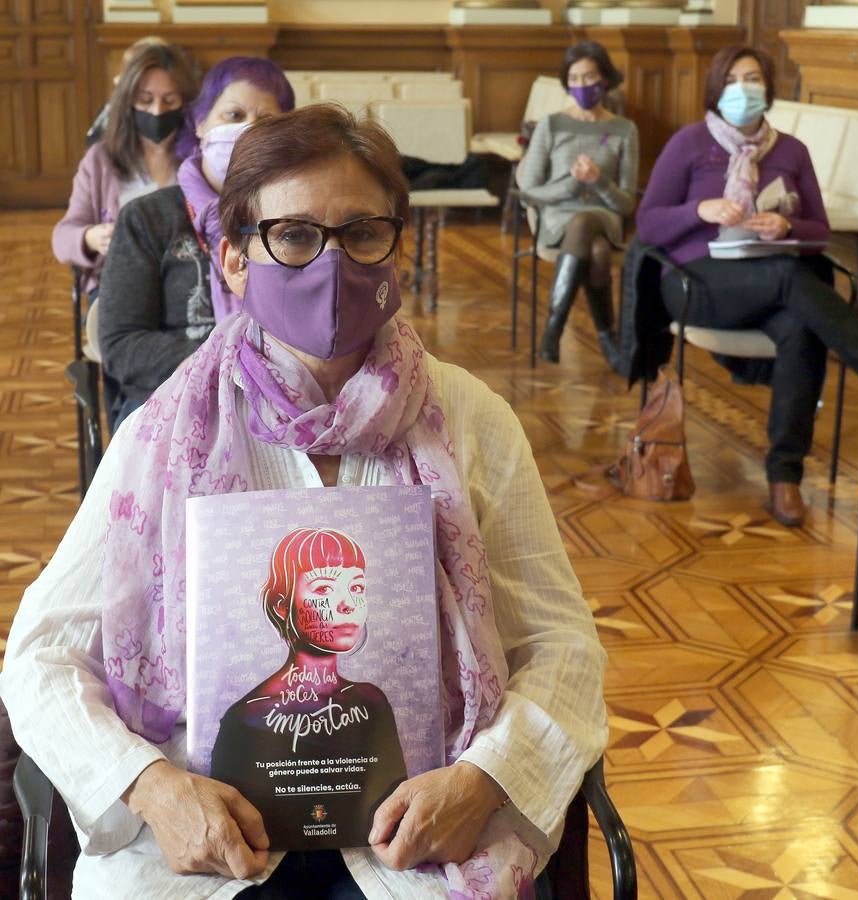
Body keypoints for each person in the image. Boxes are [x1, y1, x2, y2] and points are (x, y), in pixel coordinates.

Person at [0, 103, 607, 898]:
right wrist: (148, 785)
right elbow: (40, 655)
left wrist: (485, 781)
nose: (330, 266)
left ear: (397, 247)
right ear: (234, 259)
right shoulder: (163, 434)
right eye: (292, 236)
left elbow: (562, 646)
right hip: (204, 841)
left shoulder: (471, 423)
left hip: (423, 837)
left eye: (361, 233)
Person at [636, 44, 858, 527]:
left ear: (768, 88)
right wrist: (698, 211)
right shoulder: (688, 143)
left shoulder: (792, 151)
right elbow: (647, 225)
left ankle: (784, 476)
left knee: (800, 328)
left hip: (770, 277)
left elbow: (821, 232)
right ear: (716, 89)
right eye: (732, 80)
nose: (743, 89)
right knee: (792, 281)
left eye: (753, 78)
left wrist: (785, 228)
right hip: (695, 283)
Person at [98, 56, 295, 432]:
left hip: (280, 397)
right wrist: (235, 360)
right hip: (169, 397)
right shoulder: (148, 218)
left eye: (266, 122)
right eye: (233, 116)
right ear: (201, 124)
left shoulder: (297, 220)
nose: (247, 130)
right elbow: (122, 347)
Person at [210, 528, 405, 840]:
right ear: (280, 605)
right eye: (325, 589)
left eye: (356, 587)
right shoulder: (244, 719)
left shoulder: (372, 702)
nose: (347, 604)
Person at [516, 40, 638, 366]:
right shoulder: (551, 124)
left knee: (586, 222)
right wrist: (572, 183)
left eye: (589, 77)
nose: (582, 85)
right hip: (557, 217)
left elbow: (626, 203)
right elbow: (528, 189)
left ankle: (554, 325)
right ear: (566, 83)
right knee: (597, 252)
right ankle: (608, 340)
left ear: (605, 80)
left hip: (604, 217)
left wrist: (597, 179)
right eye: (574, 78)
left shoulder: (625, 130)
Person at [52, 40, 199, 297]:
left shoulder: (199, 157)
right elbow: (62, 238)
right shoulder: (101, 160)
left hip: (186, 280)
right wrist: (91, 237)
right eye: (145, 100)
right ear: (127, 102)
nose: (156, 111)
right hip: (120, 282)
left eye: (169, 100)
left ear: (185, 103)